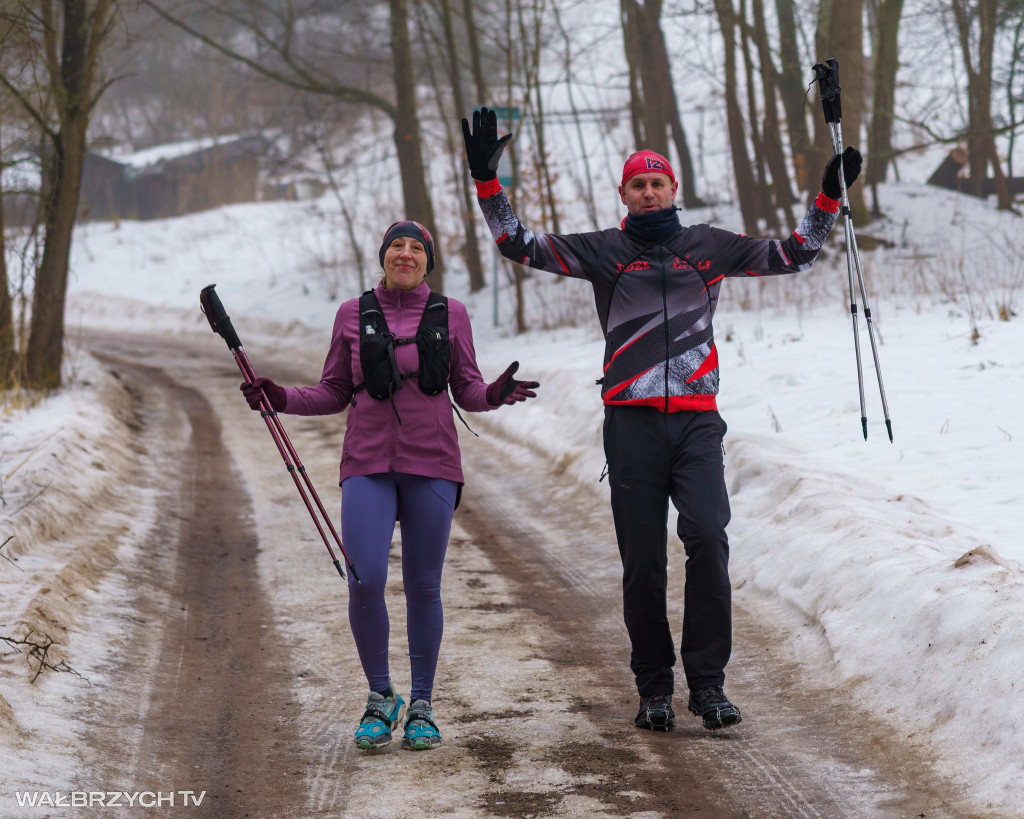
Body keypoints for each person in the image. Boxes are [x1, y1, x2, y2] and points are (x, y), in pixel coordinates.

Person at [461, 107, 862, 732]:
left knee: (708, 538)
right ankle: (653, 688)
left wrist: (828, 197)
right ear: (624, 195)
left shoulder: (710, 246)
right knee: (643, 561)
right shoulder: (604, 251)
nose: (649, 192)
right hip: (631, 426)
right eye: (637, 185)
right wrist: (488, 182)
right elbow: (519, 245)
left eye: (658, 183)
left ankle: (708, 685)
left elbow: (795, 254)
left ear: (673, 190)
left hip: (698, 423)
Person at [240, 220, 539, 751]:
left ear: (428, 261)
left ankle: (421, 704)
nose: (405, 254)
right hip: (368, 462)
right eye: (396, 246)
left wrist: (495, 392)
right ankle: (381, 698)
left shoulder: (453, 314)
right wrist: (280, 396)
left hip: (433, 464)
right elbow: (333, 390)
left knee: (424, 585)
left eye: (416, 248)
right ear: (384, 256)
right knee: (365, 578)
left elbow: (467, 389)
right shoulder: (352, 314)